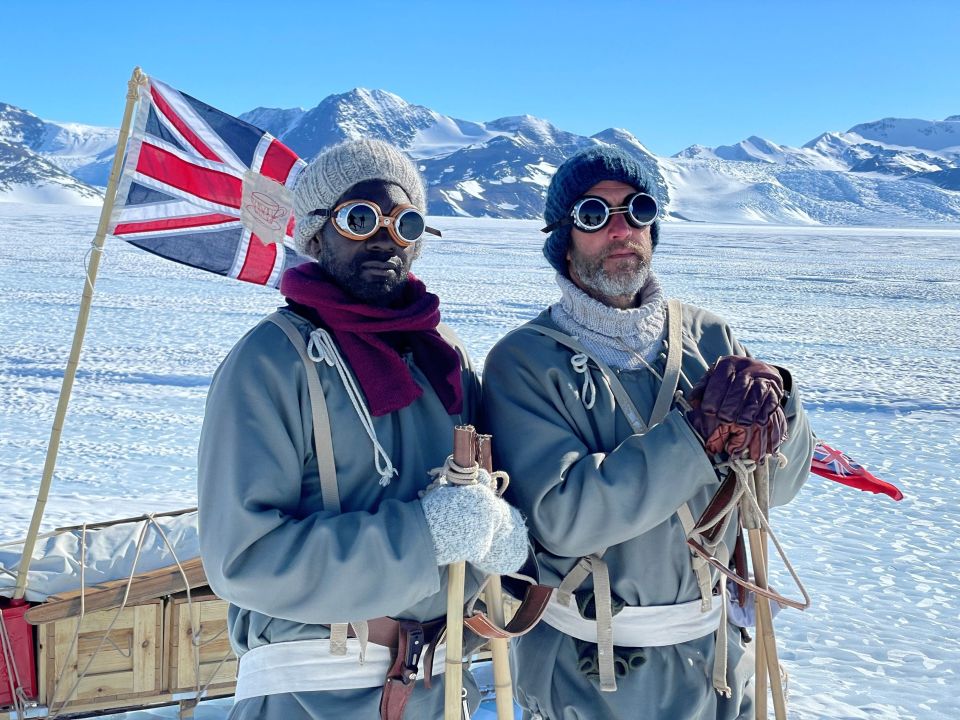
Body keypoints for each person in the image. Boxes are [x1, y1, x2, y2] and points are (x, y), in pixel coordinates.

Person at [481, 145, 816, 720]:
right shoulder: (526, 362)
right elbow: (564, 517)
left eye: (637, 210)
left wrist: (780, 406)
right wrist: (694, 434)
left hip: (711, 666)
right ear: (563, 237)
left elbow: (776, 490)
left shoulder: (710, 337)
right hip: (586, 671)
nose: (620, 229)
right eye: (593, 214)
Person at [198, 138, 528, 720]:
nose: (385, 238)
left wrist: (497, 538)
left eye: (406, 222)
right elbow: (243, 558)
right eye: (360, 218)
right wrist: (423, 536)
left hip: (438, 688)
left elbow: (475, 506)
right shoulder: (271, 362)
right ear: (316, 234)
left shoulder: (443, 358)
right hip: (312, 693)